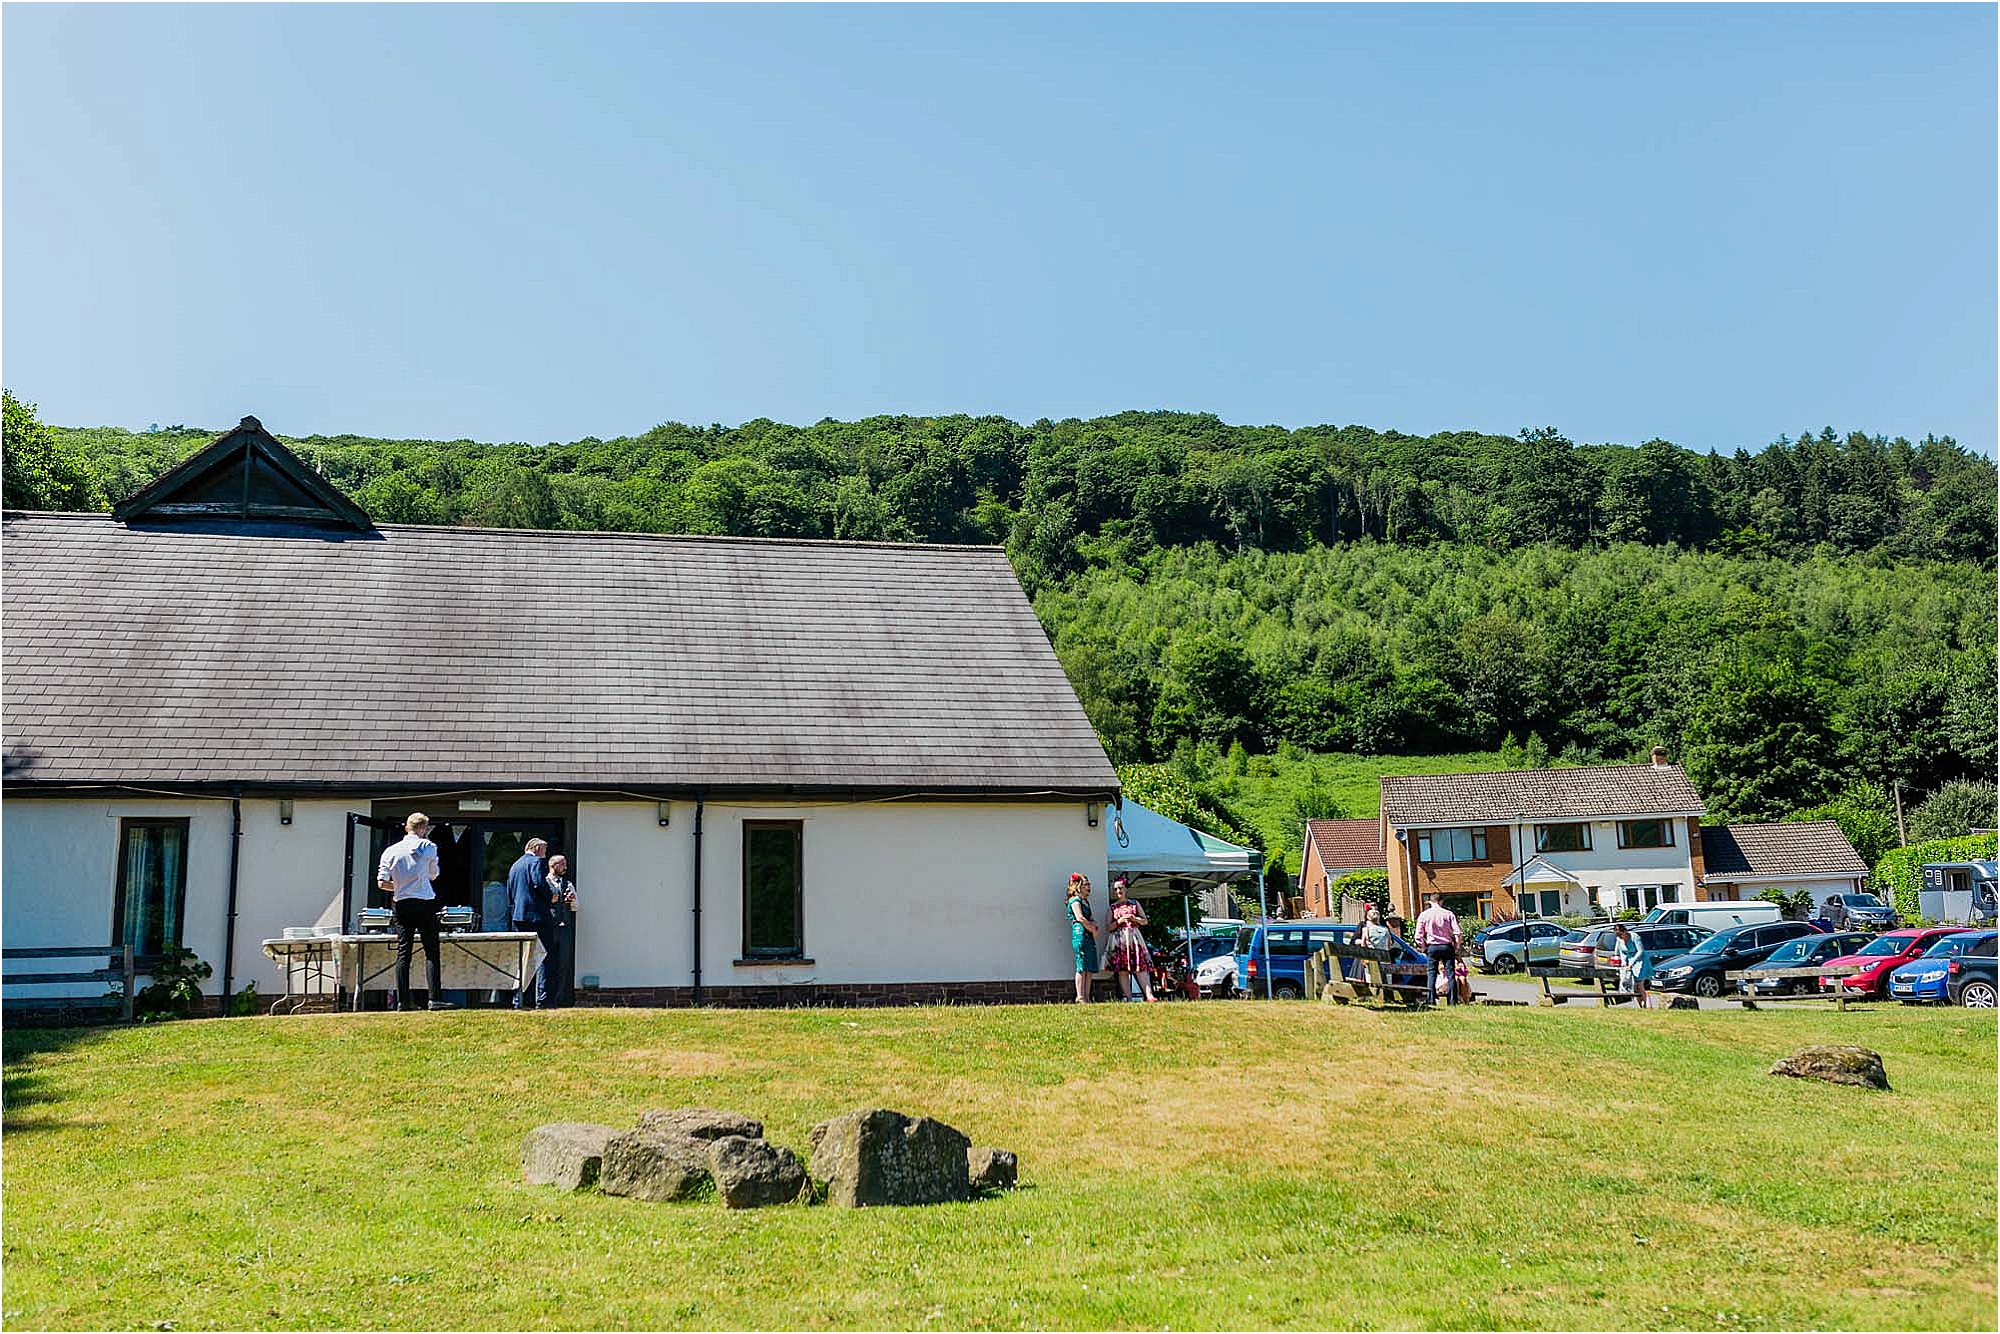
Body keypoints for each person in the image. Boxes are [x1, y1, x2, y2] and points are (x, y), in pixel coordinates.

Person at [376, 811, 455, 1011]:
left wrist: (402, 885)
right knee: (431, 951)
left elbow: (381, 882)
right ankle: (434, 998)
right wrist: (415, 881)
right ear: (423, 829)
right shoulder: (428, 846)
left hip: (401, 902)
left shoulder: (390, 851)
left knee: (404, 952)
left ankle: (403, 1001)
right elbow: (434, 875)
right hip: (423, 900)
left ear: (406, 827)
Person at [508, 837, 555, 1009]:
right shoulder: (536, 862)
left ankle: (518, 999)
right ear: (536, 848)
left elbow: (510, 892)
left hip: (518, 916)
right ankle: (543, 1000)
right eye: (544, 849)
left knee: (521, 959)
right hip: (537, 916)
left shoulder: (515, 865)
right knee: (543, 957)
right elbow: (539, 883)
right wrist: (551, 896)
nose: (545, 853)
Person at [1105, 876, 1157, 1002]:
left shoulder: (1134, 903)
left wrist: (1134, 919)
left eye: (1120, 888)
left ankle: (1149, 995)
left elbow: (1144, 921)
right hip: (1120, 940)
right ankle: (1128, 997)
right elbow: (1108, 927)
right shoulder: (1112, 907)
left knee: (1140, 966)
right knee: (1123, 970)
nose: (1118, 891)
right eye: (1116, 889)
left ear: (1125, 889)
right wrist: (1119, 921)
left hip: (1134, 938)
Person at [1414, 892, 1462, 1006]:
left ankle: (1431, 1000)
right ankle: (1452, 1000)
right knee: (1450, 973)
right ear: (1441, 901)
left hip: (1432, 946)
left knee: (1431, 973)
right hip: (1446, 946)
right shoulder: (1448, 914)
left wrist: (1423, 947)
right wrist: (1457, 946)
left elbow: (1418, 936)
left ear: (1430, 902)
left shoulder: (1424, 915)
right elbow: (1458, 932)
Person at [545, 853, 579, 1008]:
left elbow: (577, 907)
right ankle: (546, 997)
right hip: (549, 928)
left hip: (564, 929)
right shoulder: (544, 883)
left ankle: (561, 998)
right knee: (547, 963)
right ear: (553, 866)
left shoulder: (568, 884)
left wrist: (571, 900)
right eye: (562, 864)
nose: (565, 867)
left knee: (564, 964)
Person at [1067, 874, 1099, 1004]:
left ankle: (1087, 995)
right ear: (1078, 886)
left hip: (1088, 934)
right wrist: (1091, 928)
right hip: (1080, 933)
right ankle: (1080, 996)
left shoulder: (1085, 902)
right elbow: (1080, 918)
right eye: (1086, 884)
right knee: (1081, 965)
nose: (1088, 887)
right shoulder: (1075, 901)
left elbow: (1089, 918)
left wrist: (1094, 925)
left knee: (1089, 967)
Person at [1609, 922, 1653, 1008]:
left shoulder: (1635, 937)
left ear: (1625, 931)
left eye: (1622, 935)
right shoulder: (1619, 939)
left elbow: (1640, 951)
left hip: (1640, 961)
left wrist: (1632, 963)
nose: (1622, 938)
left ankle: (1648, 1005)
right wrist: (1624, 963)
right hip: (1629, 961)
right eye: (1619, 936)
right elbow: (1621, 952)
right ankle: (1641, 1006)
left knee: (1639, 984)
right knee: (1634, 987)